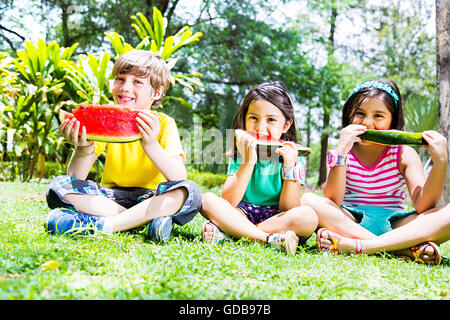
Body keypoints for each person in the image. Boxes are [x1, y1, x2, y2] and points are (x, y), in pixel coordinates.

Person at [44, 50, 202, 241]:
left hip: (151, 198)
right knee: (59, 185)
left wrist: (150, 144)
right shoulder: (106, 120)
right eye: (120, 79)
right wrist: (83, 147)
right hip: (110, 197)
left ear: (157, 92)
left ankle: (107, 225)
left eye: (137, 82)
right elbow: (75, 177)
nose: (125, 87)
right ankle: (141, 223)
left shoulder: (165, 124)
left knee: (189, 191)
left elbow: (178, 177)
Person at [301, 79, 450, 265]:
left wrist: (441, 162)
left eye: (378, 116)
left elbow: (423, 206)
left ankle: (361, 246)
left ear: (392, 121)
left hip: (397, 225)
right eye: (359, 114)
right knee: (307, 199)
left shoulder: (404, 154)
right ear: (349, 117)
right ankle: (401, 248)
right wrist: (341, 153)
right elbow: (333, 199)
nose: (367, 123)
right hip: (351, 220)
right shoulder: (340, 151)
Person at [200, 81, 318, 254]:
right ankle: (268, 239)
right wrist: (248, 160)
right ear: (244, 120)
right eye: (254, 118)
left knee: (308, 216)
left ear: (286, 125)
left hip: (277, 218)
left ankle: (235, 232)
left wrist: (290, 167)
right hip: (242, 212)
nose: (261, 128)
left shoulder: (293, 155)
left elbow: (289, 209)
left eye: (271, 120)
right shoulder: (241, 152)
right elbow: (229, 201)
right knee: (208, 200)